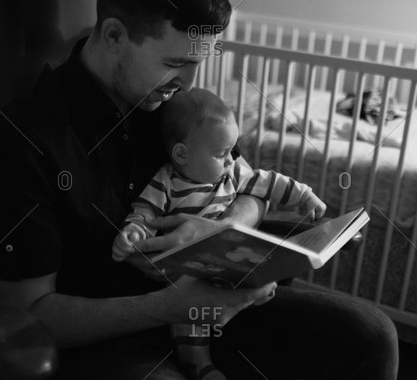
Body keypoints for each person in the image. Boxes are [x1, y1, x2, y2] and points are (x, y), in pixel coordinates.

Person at [0, 0, 399, 379]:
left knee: (370, 335)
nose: (188, 84)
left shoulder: (171, 108)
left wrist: (223, 227)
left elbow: (247, 187)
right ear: (115, 36)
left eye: (197, 64)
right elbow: (28, 316)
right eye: (176, 63)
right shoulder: (24, 142)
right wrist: (170, 306)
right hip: (102, 337)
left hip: (204, 313)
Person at [112, 88, 327, 379]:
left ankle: (249, 298)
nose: (231, 160)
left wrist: (305, 196)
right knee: (189, 313)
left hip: (224, 260)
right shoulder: (166, 183)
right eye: (222, 154)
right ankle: (197, 362)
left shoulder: (231, 174)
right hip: (186, 272)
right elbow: (144, 214)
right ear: (182, 154)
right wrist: (132, 235)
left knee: (260, 267)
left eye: (232, 151)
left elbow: (270, 182)